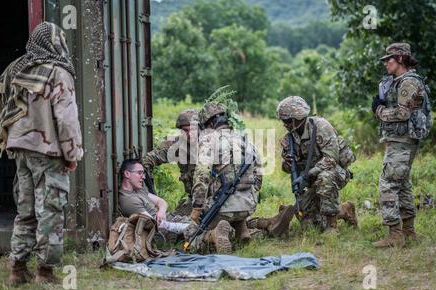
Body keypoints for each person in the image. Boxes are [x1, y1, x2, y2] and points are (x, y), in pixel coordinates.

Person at [0, 22, 84, 286]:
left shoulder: (16, 68)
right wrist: (72, 154)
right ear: (57, 42)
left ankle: (17, 270)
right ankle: (45, 273)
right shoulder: (58, 72)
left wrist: (8, 136)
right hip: (47, 152)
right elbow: (67, 120)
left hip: (20, 150)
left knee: (25, 210)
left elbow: (0, 102)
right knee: (51, 210)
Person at [371, 43, 430, 248]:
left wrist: (379, 111)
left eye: (389, 59)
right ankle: (408, 232)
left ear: (401, 59)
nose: (386, 63)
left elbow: (403, 113)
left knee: (387, 184)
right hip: (401, 140)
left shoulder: (408, 82)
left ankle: (395, 234)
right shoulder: (402, 81)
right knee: (402, 184)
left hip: (403, 141)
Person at [190, 103, 263, 253]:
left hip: (221, 208)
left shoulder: (209, 140)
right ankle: (242, 230)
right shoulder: (246, 140)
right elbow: (259, 174)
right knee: (233, 205)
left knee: (190, 230)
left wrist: (196, 209)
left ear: (209, 124)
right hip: (248, 205)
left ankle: (213, 234)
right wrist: (251, 194)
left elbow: (201, 176)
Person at [277, 96, 356, 233]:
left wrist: (307, 175)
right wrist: (288, 164)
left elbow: (331, 159)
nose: (285, 124)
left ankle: (332, 227)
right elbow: (286, 169)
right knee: (309, 224)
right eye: (283, 121)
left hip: (334, 173)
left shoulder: (320, 126)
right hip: (311, 180)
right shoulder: (289, 137)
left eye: (287, 121)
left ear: (297, 118)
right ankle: (345, 210)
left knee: (324, 178)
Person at [142, 109, 199, 216]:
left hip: (213, 199)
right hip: (194, 198)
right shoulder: (178, 144)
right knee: (175, 223)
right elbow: (151, 157)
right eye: (185, 130)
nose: (190, 134)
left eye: (193, 130)